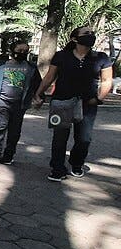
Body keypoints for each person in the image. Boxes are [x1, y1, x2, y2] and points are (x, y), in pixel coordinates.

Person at [33, 25, 113, 182]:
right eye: (86, 33)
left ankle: (77, 163)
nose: (90, 35)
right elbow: (50, 77)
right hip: (61, 101)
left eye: (92, 33)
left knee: (84, 138)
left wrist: (98, 98)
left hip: (87, 103)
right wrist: (39, 93)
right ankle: (57, 168)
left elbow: (106, 80)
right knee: (59, 137)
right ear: (75, 38)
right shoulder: (61, 56)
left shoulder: (101, 57)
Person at [0, 40, 41, 167]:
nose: (22, 53)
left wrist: (38, 97)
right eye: (19, 51)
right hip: (2, 103)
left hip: (19, 105)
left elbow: (37, 84)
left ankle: (8, 155)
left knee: (14, 132)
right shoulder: (1, 66)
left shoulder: (31, 68)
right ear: (12, 51)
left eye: (25, 51)